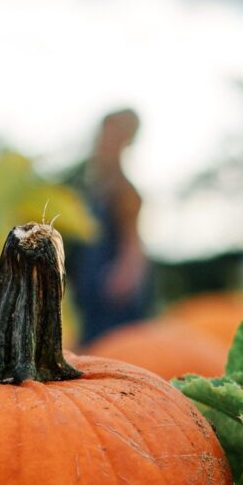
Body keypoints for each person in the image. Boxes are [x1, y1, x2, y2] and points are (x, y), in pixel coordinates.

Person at [72, 108, 152, 344]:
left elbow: (132, 243)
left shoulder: (124, 192)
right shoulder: (99, 189)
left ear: (124, 141)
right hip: (92, 295)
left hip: (110, 294)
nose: (102, 144)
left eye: (110, 137)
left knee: (114, 349)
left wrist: (124, 277)